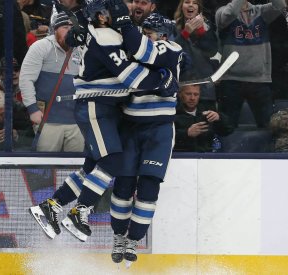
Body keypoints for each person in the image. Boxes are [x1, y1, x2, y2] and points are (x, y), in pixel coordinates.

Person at [28, 0, 178, 243]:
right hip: (97, 107)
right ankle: (79, 211)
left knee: (93, 167)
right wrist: (162, 80)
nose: (123, 10)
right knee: (112, 161)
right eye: (114, 9)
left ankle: (51, 206)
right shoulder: (106, 36)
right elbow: (131, 77)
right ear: (101, 16)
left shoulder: (109, 32)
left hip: (108, 108)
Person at [107, 10, 182, 265]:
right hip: (130, 127)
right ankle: (119, 235)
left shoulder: (170, 48)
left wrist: (164, 81)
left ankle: (134, 239)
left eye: (148, 33)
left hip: (159, 129)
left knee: (149, 186)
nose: (144, 37)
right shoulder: (133, 51)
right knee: (123, 186)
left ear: (162, 35)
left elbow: (149, 56)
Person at [19, 12, 84, 152]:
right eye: (65, 27)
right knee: (47, 167)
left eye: (73, 28)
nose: (70, 31)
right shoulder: (40, 47)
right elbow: (26, 79)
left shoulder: (82, 49)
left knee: (74, 167)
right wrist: (32, 109)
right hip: (48, 121)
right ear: (55, 29)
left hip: (76, 121)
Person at [215, 0, 285, 128]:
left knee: (268, 126)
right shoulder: (221, 12)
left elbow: (280, 5)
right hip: (231, 80)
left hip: (259, 79)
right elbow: (230, 14)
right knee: (226, 127)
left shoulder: (262, 11)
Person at [173, 0, 220, 104]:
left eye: (194, 3)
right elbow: (172, 51)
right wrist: (185, 33)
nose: (190, 5)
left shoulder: (208, 26)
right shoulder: (173, 26)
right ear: (181, 7)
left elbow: (211, 51)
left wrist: (201, 32)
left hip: (205, 88)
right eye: (187, 2)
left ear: (199, 8)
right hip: (181, 88)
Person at [174, 84, 234, 152]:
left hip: (207, 157)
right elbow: (163, 138)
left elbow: (228, 130)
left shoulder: (208, 111)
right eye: (188, 94)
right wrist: (187, 133)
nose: (192, 98)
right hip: (180, 157)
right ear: (180, 94)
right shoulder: (172, 113)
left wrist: (219, 118)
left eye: (196, 94)